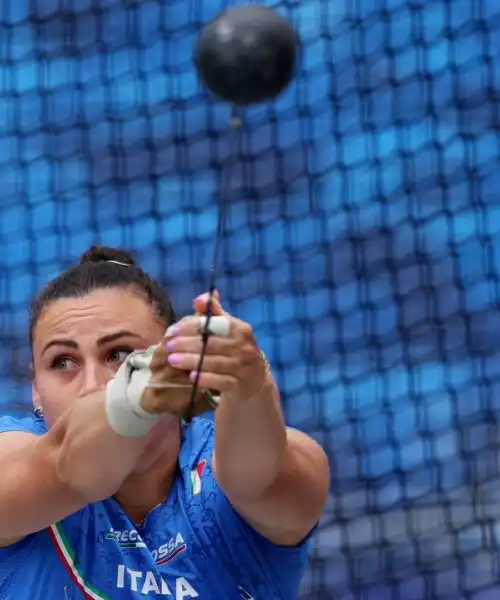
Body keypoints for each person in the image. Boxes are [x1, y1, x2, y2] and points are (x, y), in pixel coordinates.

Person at [0, 245, 330, 600]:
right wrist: (136, 395)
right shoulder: (12, 460)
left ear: (178, 357)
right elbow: (67, 468)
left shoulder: (244, 473)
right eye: (63, 362)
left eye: (120, 354)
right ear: (35, 389)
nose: (93, 386)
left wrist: (249, 382)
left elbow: (258, 477)